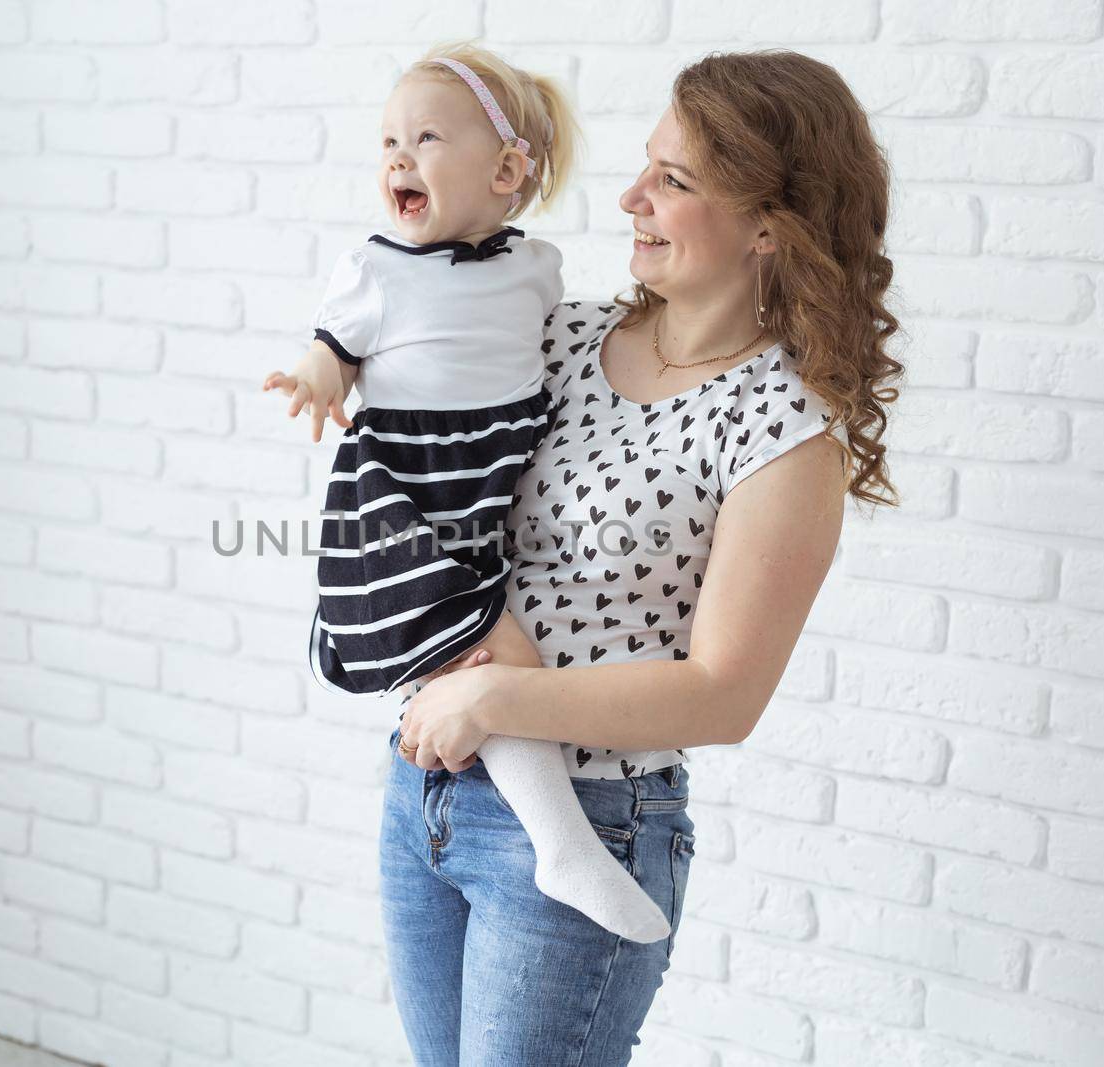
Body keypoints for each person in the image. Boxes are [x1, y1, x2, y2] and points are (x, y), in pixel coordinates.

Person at [380, 49, 904, 1064]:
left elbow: (722, 695)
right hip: (426, 787)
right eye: (643, 166)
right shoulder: (556, 335)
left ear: (768, 224)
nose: (630, 197)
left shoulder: (779, 433)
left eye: (674, 181)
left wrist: (491, 702)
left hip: (592, 816)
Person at [265, 43, 680, 943]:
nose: (398, 158)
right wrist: (315, 380)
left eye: (425, 138)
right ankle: (562, 841)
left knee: (477, 651)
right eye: (388, 142)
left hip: (481, 504)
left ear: (505, 171)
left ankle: (551, 835)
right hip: (404, 499)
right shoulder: (377, 269)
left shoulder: (536, 270)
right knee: (495, 652)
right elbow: (334, 348)